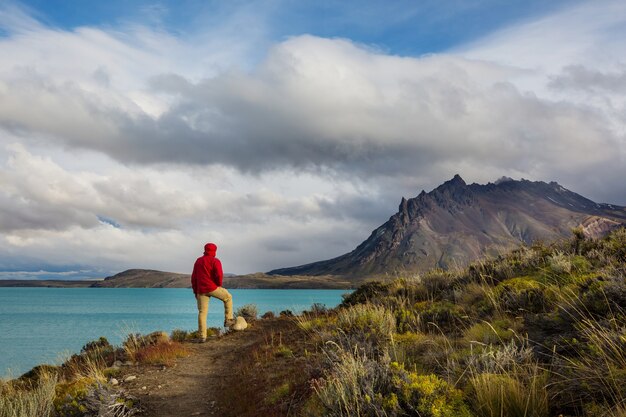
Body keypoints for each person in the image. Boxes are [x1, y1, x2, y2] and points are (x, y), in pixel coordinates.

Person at [191, 243, 235, 342]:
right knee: (228, 297)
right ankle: (229, 320)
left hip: (201, 290)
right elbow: (219, 275)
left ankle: (202, 336)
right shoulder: (215, 261)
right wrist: (218, 284)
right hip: (212, 288)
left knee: (202, 313)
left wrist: (195, 291)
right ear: (214, 251)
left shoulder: (198, 261)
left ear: (205, 250)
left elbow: (194, 278)